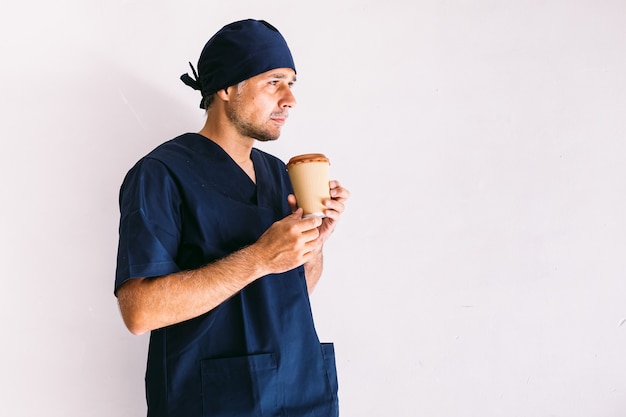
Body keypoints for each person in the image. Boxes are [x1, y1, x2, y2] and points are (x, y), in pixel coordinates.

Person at [114, 19, 350, 417]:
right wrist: (258, 256)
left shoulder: (281, 174)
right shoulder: (161, 174)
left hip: (301, 389)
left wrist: (315, 242)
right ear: (226, 88)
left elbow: (291, 292)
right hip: (216, 401)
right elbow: (139, 312)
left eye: (292, 83)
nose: (290, 98)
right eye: (274, 82)